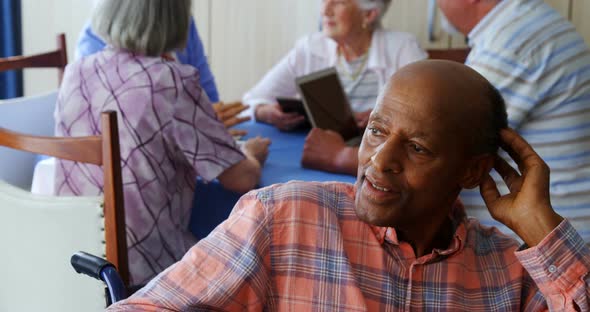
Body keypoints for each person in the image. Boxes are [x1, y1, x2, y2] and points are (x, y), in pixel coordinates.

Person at [107, 60, 590, 311]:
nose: (379, 161)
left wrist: (543, 230)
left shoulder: (508, 275)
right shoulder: (285, 220)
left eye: (417, 148)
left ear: (471, 171)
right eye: (377, 131)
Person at [54, 0, 271, 286]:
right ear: (175, 18)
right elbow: (240, 179)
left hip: (71, 262)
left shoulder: (75, 72)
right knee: (255, 269)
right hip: (148, 276)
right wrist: (250, 154)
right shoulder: (172, 82)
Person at [435, 0, 590, 243]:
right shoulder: (521, 24)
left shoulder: (515, 39)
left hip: (551, 250)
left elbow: (436, 143)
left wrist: (353, 156)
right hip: (549, 239)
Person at [243, 0, 427, 131]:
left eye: (339, 2)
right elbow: (254, 98)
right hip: (315, 150)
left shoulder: (403, 48)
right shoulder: (309, 47)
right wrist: (265, 112)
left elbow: (426, 111)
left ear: (369, 14)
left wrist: (385, 118)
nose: (325, 9)